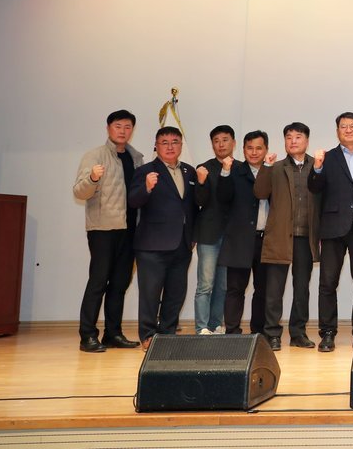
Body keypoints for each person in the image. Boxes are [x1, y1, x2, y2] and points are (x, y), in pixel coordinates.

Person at [309, 112, 353, 351]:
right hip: (333, 227)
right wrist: (317, 168)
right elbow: (314, 188)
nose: (348, 130)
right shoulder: (326, 158)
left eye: (352, 126)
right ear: (337, 131)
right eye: (343, 126)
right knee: (328, 283)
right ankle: (327, 333)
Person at [73, 109, 143, 352]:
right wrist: (92, 178)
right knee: (98, 281)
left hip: (129, 229)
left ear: (132, 130)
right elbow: (79, 192)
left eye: (127, 127)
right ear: (108, 128)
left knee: (120, 283)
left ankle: (113, 333)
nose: (123, 131)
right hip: (103, 228)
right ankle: (87, 336)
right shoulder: (95, 156)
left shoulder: (136, 158)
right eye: (118, 126)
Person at [128, 126, 197, 348]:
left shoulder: (189, 171)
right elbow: (133, 201)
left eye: (174, 142)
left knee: (176, 294)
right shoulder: (145, 171)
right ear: (156, 146)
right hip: (152, 245)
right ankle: (148, 335)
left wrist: (193, 235)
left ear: (181, 145)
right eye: (164, 142)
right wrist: (146, 188)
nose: (170, 146)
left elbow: (192, 206)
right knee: (150, 293)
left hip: (182, 244)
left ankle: (167, 335)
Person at [254, 122, 321, 350]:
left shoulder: (317, 166)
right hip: (280, 235)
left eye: (298, 136)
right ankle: (272, 333)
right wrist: (265, 166)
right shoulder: (275, 167)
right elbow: (260, 192)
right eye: (289, 137)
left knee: (302, 288)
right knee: (274, 290)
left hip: (306, 236)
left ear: (307, 141)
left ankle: (298, 333)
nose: (293, 141)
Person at [218, 130, 270, 337]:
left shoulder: (272, 171)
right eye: (249, 148)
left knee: (263, 289)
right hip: (239, 240)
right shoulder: (234, 170)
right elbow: (222, 198)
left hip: (266, 240)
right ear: (243, 149)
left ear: (266, 149)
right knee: (235, 289)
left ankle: (259, 332)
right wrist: (224, 172)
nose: (254, 152)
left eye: (258, 148)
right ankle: (232, 332)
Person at [192, 125, 235, 335]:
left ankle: (215, 324)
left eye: (225, 140)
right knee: (205, 284)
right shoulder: (204, 168)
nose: (221, 144)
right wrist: (200, 183)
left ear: (233, 143)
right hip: (208, 234)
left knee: (223, 286)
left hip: (231, 237)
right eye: (216, 141)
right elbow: (199, 201)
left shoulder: (240, 168)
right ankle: (201, 327)